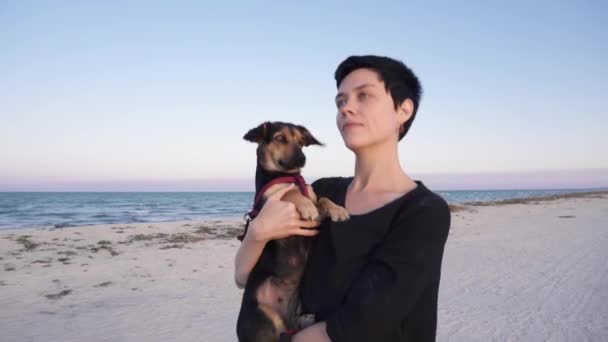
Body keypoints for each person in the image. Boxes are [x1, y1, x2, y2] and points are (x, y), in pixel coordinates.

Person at [234, 55, 451, 342]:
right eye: (340, 101)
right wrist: (258, 233)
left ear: (404, 109)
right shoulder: (322, 192)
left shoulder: (423, 212)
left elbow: (360, 324)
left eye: (364, 96)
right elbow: (243, 277)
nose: (347, 108)